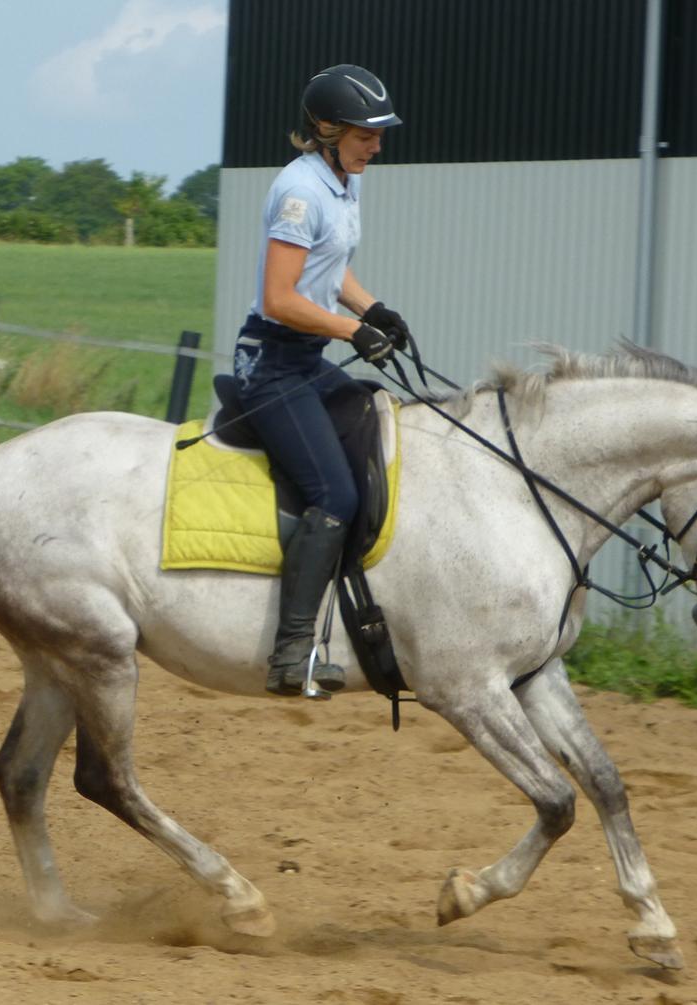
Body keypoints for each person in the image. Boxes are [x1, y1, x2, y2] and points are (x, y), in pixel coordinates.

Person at [232, 64, 412, 697]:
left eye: (380, 134)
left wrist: (374, 309)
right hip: (274, 363)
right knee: (333, 494)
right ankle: (290, 654)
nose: (378, 145)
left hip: (307, 357)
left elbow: (330, 272)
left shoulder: (342, 181)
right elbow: (280, 298)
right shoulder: (300, 193)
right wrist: (350, 332)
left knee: (380, 422)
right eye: (368, 133)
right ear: (329, 129)